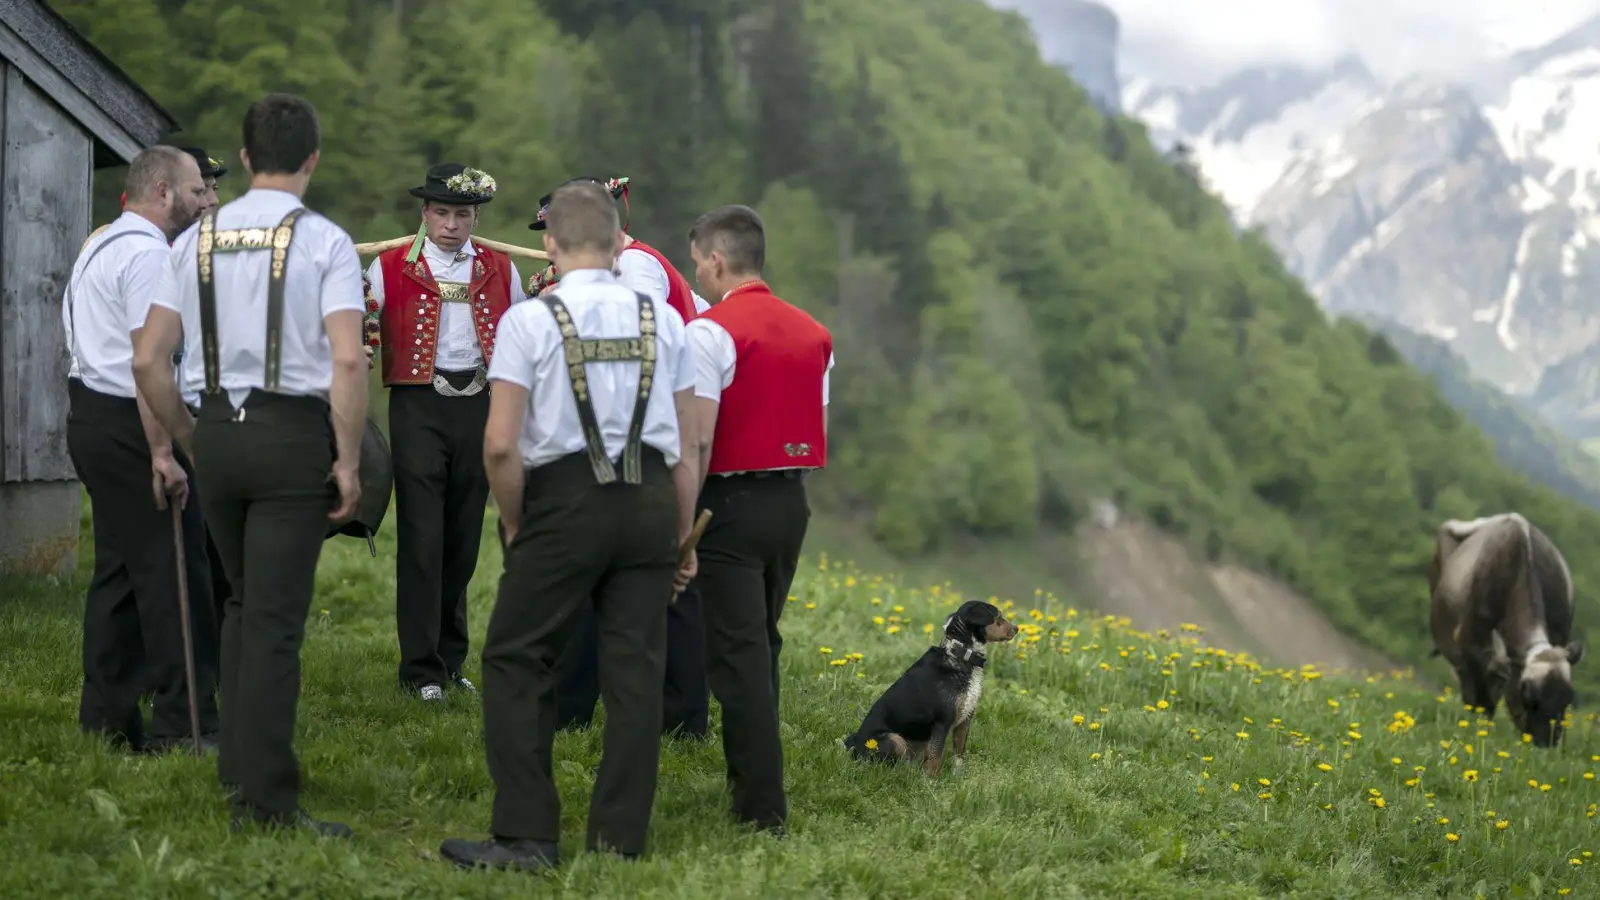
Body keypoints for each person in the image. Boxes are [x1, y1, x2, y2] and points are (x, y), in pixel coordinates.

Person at [440, 180, 699, 872]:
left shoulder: (533, 319)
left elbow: (500, 444)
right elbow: (688, 443)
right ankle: (619, 840)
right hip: (648, 498)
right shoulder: (663, 320)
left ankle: (526, 834)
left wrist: (519, 523)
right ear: (618, 243)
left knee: (515, 655)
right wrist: (680, 537)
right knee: (636, 669)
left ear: (549, 245)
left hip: (564, 497)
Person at [132, 92, 367, 838]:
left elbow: (146, 358)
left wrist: (187, 436)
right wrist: (351, 462)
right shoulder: (324, 241)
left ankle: (239, 765)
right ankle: (266, 803)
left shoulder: (189, 241)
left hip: (219, 438)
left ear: (241, 159)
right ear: (312, 160)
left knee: (240, 606)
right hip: (290, 434)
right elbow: (349, 359)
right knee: (273, 621)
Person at [529, 175, 711, 739]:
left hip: (638, 439)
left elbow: (633, 365)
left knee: (656, 590)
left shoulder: (637, 271)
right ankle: (598, 709)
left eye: (551, 233)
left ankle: (672, 716)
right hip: (651, 439)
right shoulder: (625, 272)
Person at [63, 144, 219, 755]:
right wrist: (164, 454)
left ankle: (106, 718)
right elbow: (145, 363)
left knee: (121, 574)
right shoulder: (153, 258)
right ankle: (186, 724)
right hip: (135, 423)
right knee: (177, 573)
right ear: (163, 193)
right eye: (196, 190)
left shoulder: (99, 244)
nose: (205, 200)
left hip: (91, 416)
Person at [683, 204, 833, 834]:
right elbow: (813, 421)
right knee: (762, 641)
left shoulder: (711, 332)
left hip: (727, 503)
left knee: (738, 656)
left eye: (697, 264)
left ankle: (761, 809)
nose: (699, 274)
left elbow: (696, 441)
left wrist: (680, 527)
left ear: (716, 260)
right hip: (791, 502)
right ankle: (754, 779)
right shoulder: (815, 334)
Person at [366, 163, 524, 702]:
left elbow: (524, 338)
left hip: (479, 405)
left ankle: (450, 661)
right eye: (442, 213)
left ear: (475, 216)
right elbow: (359, 329)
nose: (451, 224)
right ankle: (420, 671)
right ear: (424, 213)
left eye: (462, 214)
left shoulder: (503, 268)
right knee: (422, 538)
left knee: (461, 539)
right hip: (417, 406)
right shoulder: (387, 267)